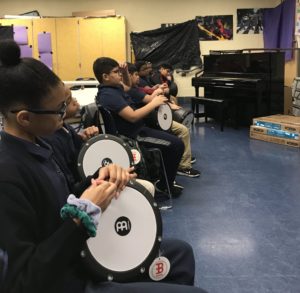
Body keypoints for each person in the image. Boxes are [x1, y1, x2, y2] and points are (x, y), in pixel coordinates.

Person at [0, 40, 207, 293]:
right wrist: (82, 216)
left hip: (79, 253)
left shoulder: (40, 143)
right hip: (68, 279)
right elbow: (23, 282)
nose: (66, 113)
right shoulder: (8, 176)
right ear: (25, 118)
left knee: (180, 254)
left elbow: (65, 195)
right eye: (59, 109)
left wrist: (98, 178)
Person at [93, 57, 185, 197]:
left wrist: (124, 73)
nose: (120, 75)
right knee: (176, 144)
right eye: (116, 72)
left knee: (171, 137)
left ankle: (161, 178)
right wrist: (154, 103)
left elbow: (128, 87)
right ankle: (164, 186)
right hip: (134, 135)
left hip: (139, 128)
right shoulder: (108, 95)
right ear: (105, 76)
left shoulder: (113, 87)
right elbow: (133, 116)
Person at [44, 86, 155, 196]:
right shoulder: (53, 138)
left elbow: (78, 148)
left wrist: (84, 137)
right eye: (68, 100)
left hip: (87, 180)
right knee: (147, 188)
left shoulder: (65, 127)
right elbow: (72, 187)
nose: (75, 101)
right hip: (83, 189)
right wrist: (100, 177)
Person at [125, 63, 200, 178]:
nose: (139, 76)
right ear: (128, 76)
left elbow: (146, 90)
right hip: (151, 120)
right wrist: (164, 100)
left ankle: (184, 157)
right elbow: (150, 99)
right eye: (136, 74)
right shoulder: (132, 90)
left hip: (152, 117)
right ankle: (184, 166)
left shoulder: (137, 86)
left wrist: (156, 89)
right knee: (183, 131)